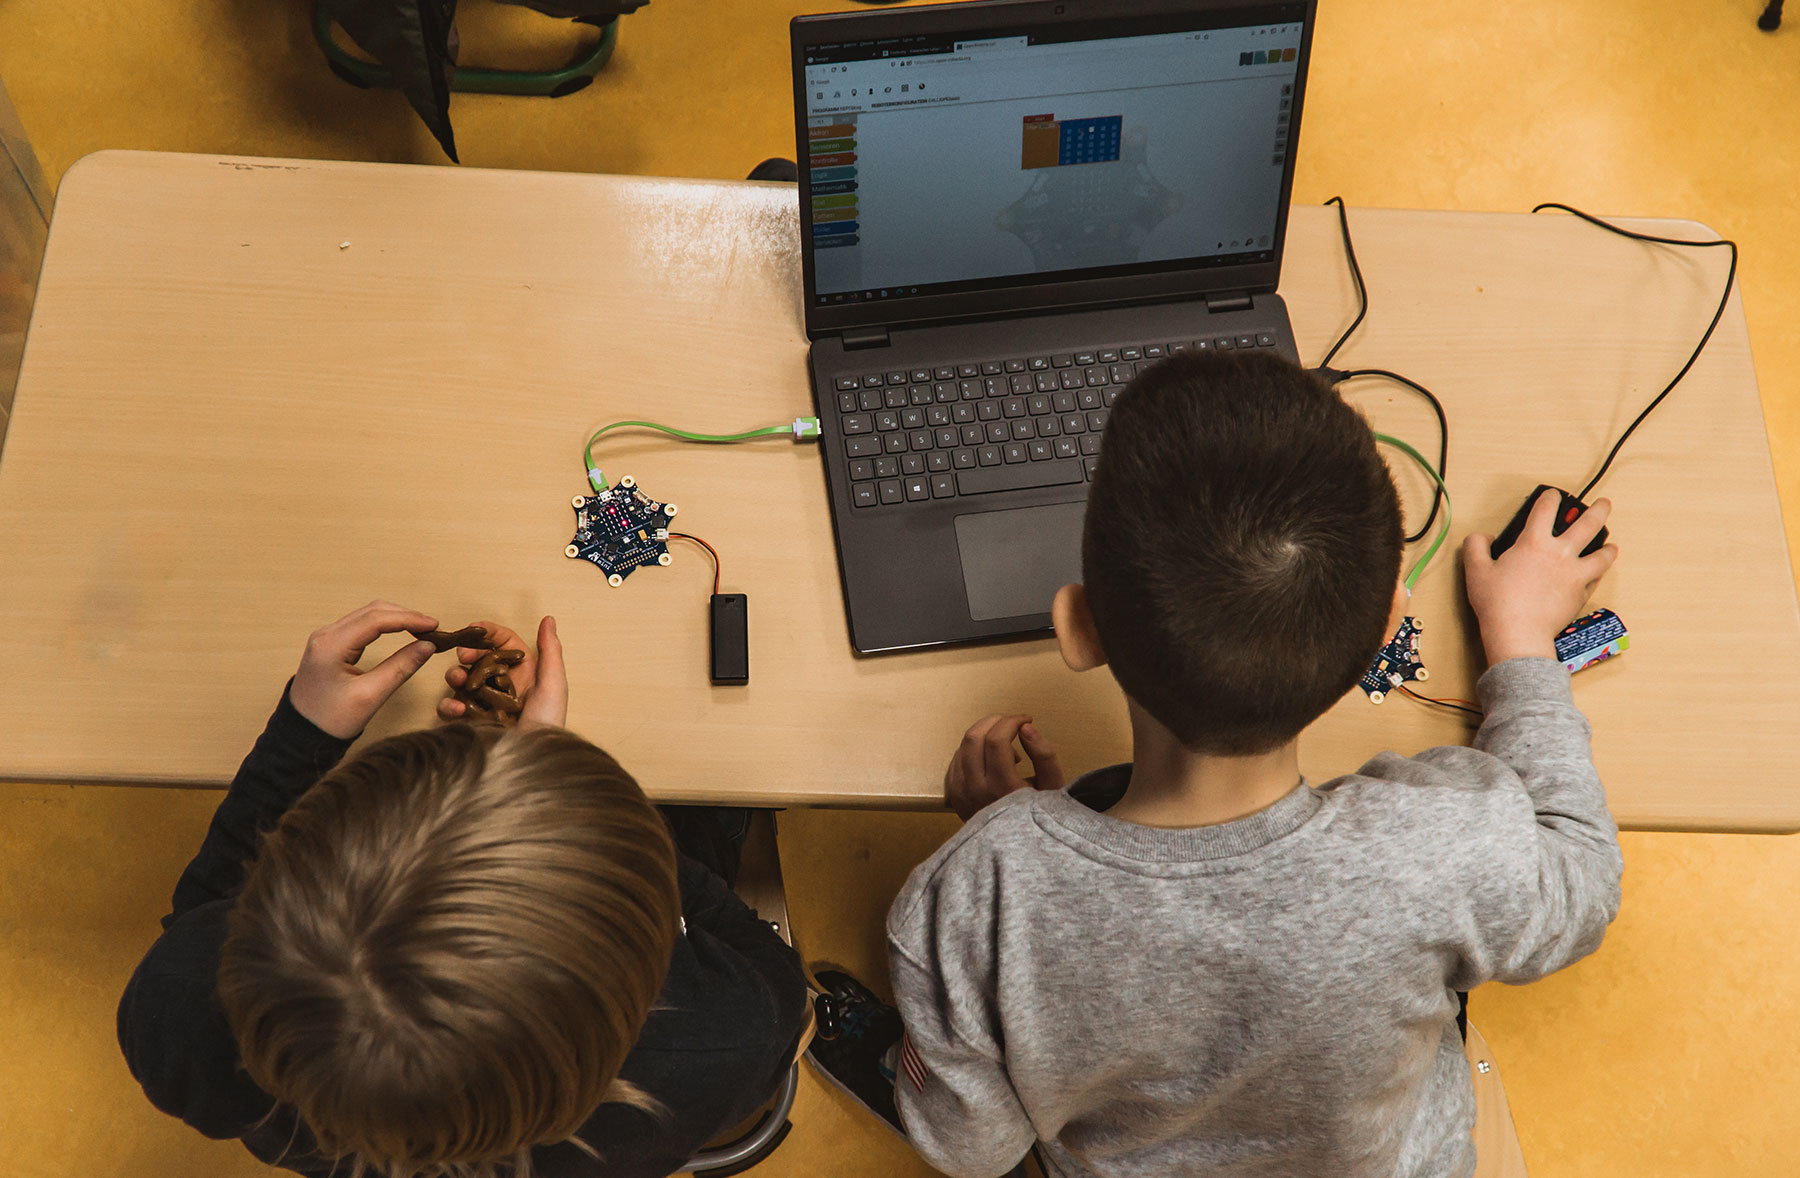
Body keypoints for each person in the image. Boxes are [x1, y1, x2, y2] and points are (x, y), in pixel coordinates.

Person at [813, 352, 1624, 1178]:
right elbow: (1585, 877)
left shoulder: (979, 897)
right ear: (1388, 630)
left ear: (1078, 628)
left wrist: (1023, 835)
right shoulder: (1438, 847)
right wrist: (1523, 642)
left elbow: (970, 1148)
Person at [117, 602, 810, 1178]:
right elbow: (764, 964)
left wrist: (303, 731)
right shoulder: (725, 1038)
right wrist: (564, 778)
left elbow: (201, 916)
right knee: (717, 812)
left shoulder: (179, 1018)